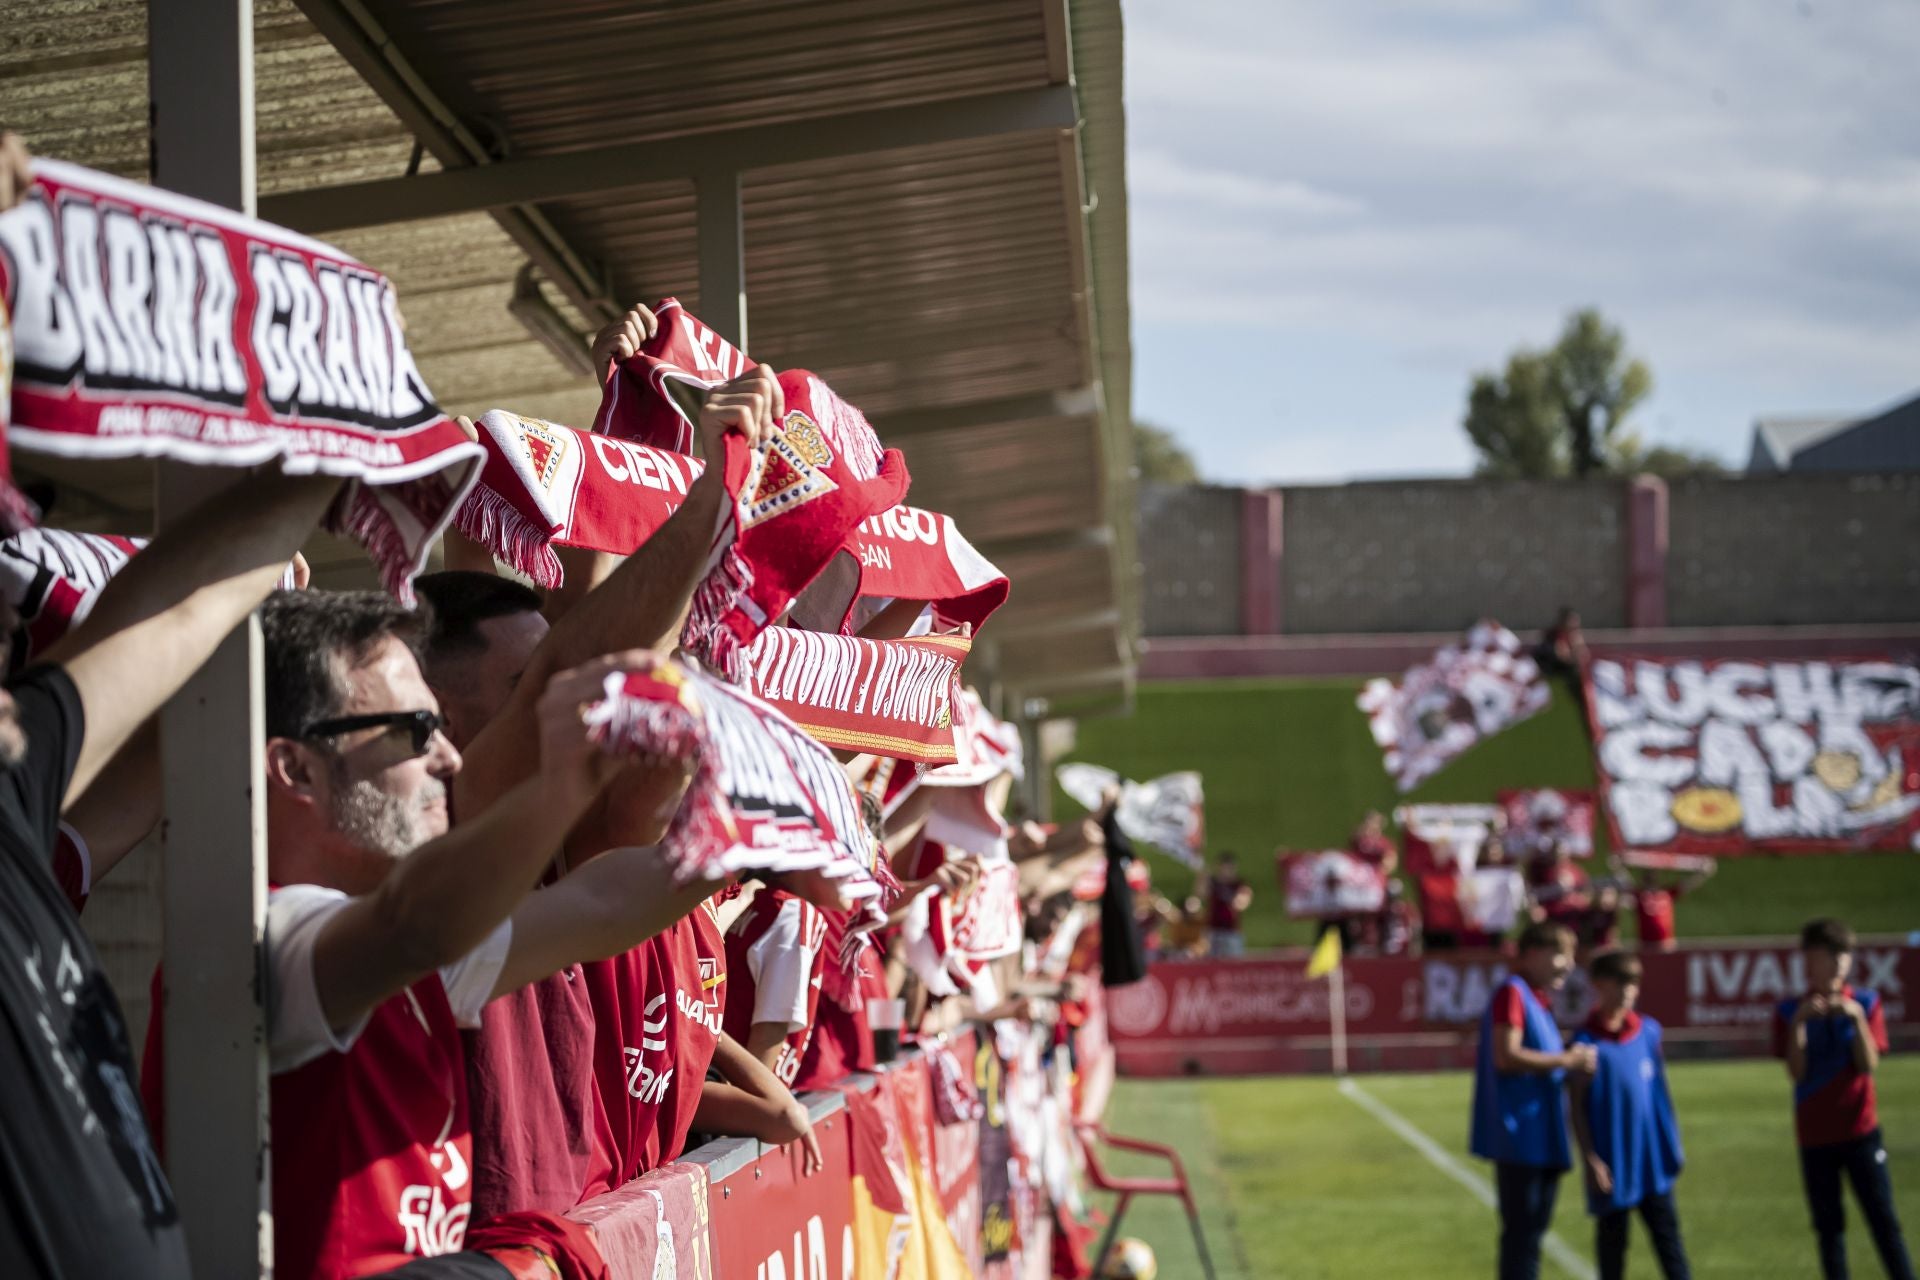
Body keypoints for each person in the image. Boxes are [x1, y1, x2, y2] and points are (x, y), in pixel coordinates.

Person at [140, 591, 699, 1279]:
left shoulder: (402, 942)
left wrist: (757, 833)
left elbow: (600, 905)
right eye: (413, 731)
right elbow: (414, 925)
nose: (450, 760)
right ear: (295, 768)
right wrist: (568, 780)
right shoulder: (257, 936)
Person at [0, 463, 339, 1278]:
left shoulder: (20, 814)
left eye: (15, 629)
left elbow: (174, 654)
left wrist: (255, 583)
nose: (15, 641)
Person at [1773, 919, 1915, 1280]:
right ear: (1808, 961)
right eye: (1826, 956)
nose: (1836, 964)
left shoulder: (1865, 1002)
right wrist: (1800, 1026)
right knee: (1829, 1230)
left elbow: (1868, 1065)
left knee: (1884, 1220)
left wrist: (1856, 1020)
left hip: (1861, 1131)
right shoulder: (1790, 1011)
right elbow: (1796, 1072)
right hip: (1814, 1135)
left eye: (1843, 956)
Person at [1471, 921, 1596, 1280]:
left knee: (1530, 1236)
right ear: (1534, 954)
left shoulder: (1537, 999)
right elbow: (1505, 1055)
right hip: (1521, 1136)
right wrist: (1566, 1060)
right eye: (1562, 954)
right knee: (1523, 1239)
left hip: (1539, 1135)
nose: (1569, 965)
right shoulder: (1513, 992)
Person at [1569, 950, 1691, 1280]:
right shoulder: (1585, 1043)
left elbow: (1660, 1097)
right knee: (1612, 1256)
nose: (1627, 990)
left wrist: (1672, 1146)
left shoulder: (1649, 1032)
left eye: (1633, 983)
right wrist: (1591, 1159)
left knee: (1672, 1250)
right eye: (1619, 982)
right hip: (1613, 1164)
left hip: (1652, 1164)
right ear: (1598, 985)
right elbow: (1575, 1106)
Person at [1620, 858, 1715, 954]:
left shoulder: (1666, 894)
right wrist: (1619, 867)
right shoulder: (1640, 895)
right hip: (1646, 945)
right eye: (1648, 877)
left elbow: (1686, 885)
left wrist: (1703, 873)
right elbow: (1627, 884)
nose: (1651, 880)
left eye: (1653, 877)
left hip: (1665, 944)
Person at [1197, 851, 1252, 958]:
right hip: (1213, 928)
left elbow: (1242, 903)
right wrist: (1202, 876)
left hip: (1231, 929)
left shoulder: (1239, 884)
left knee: (1234, 960)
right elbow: (1200, 894)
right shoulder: (1213, 882)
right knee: (1211, 960)